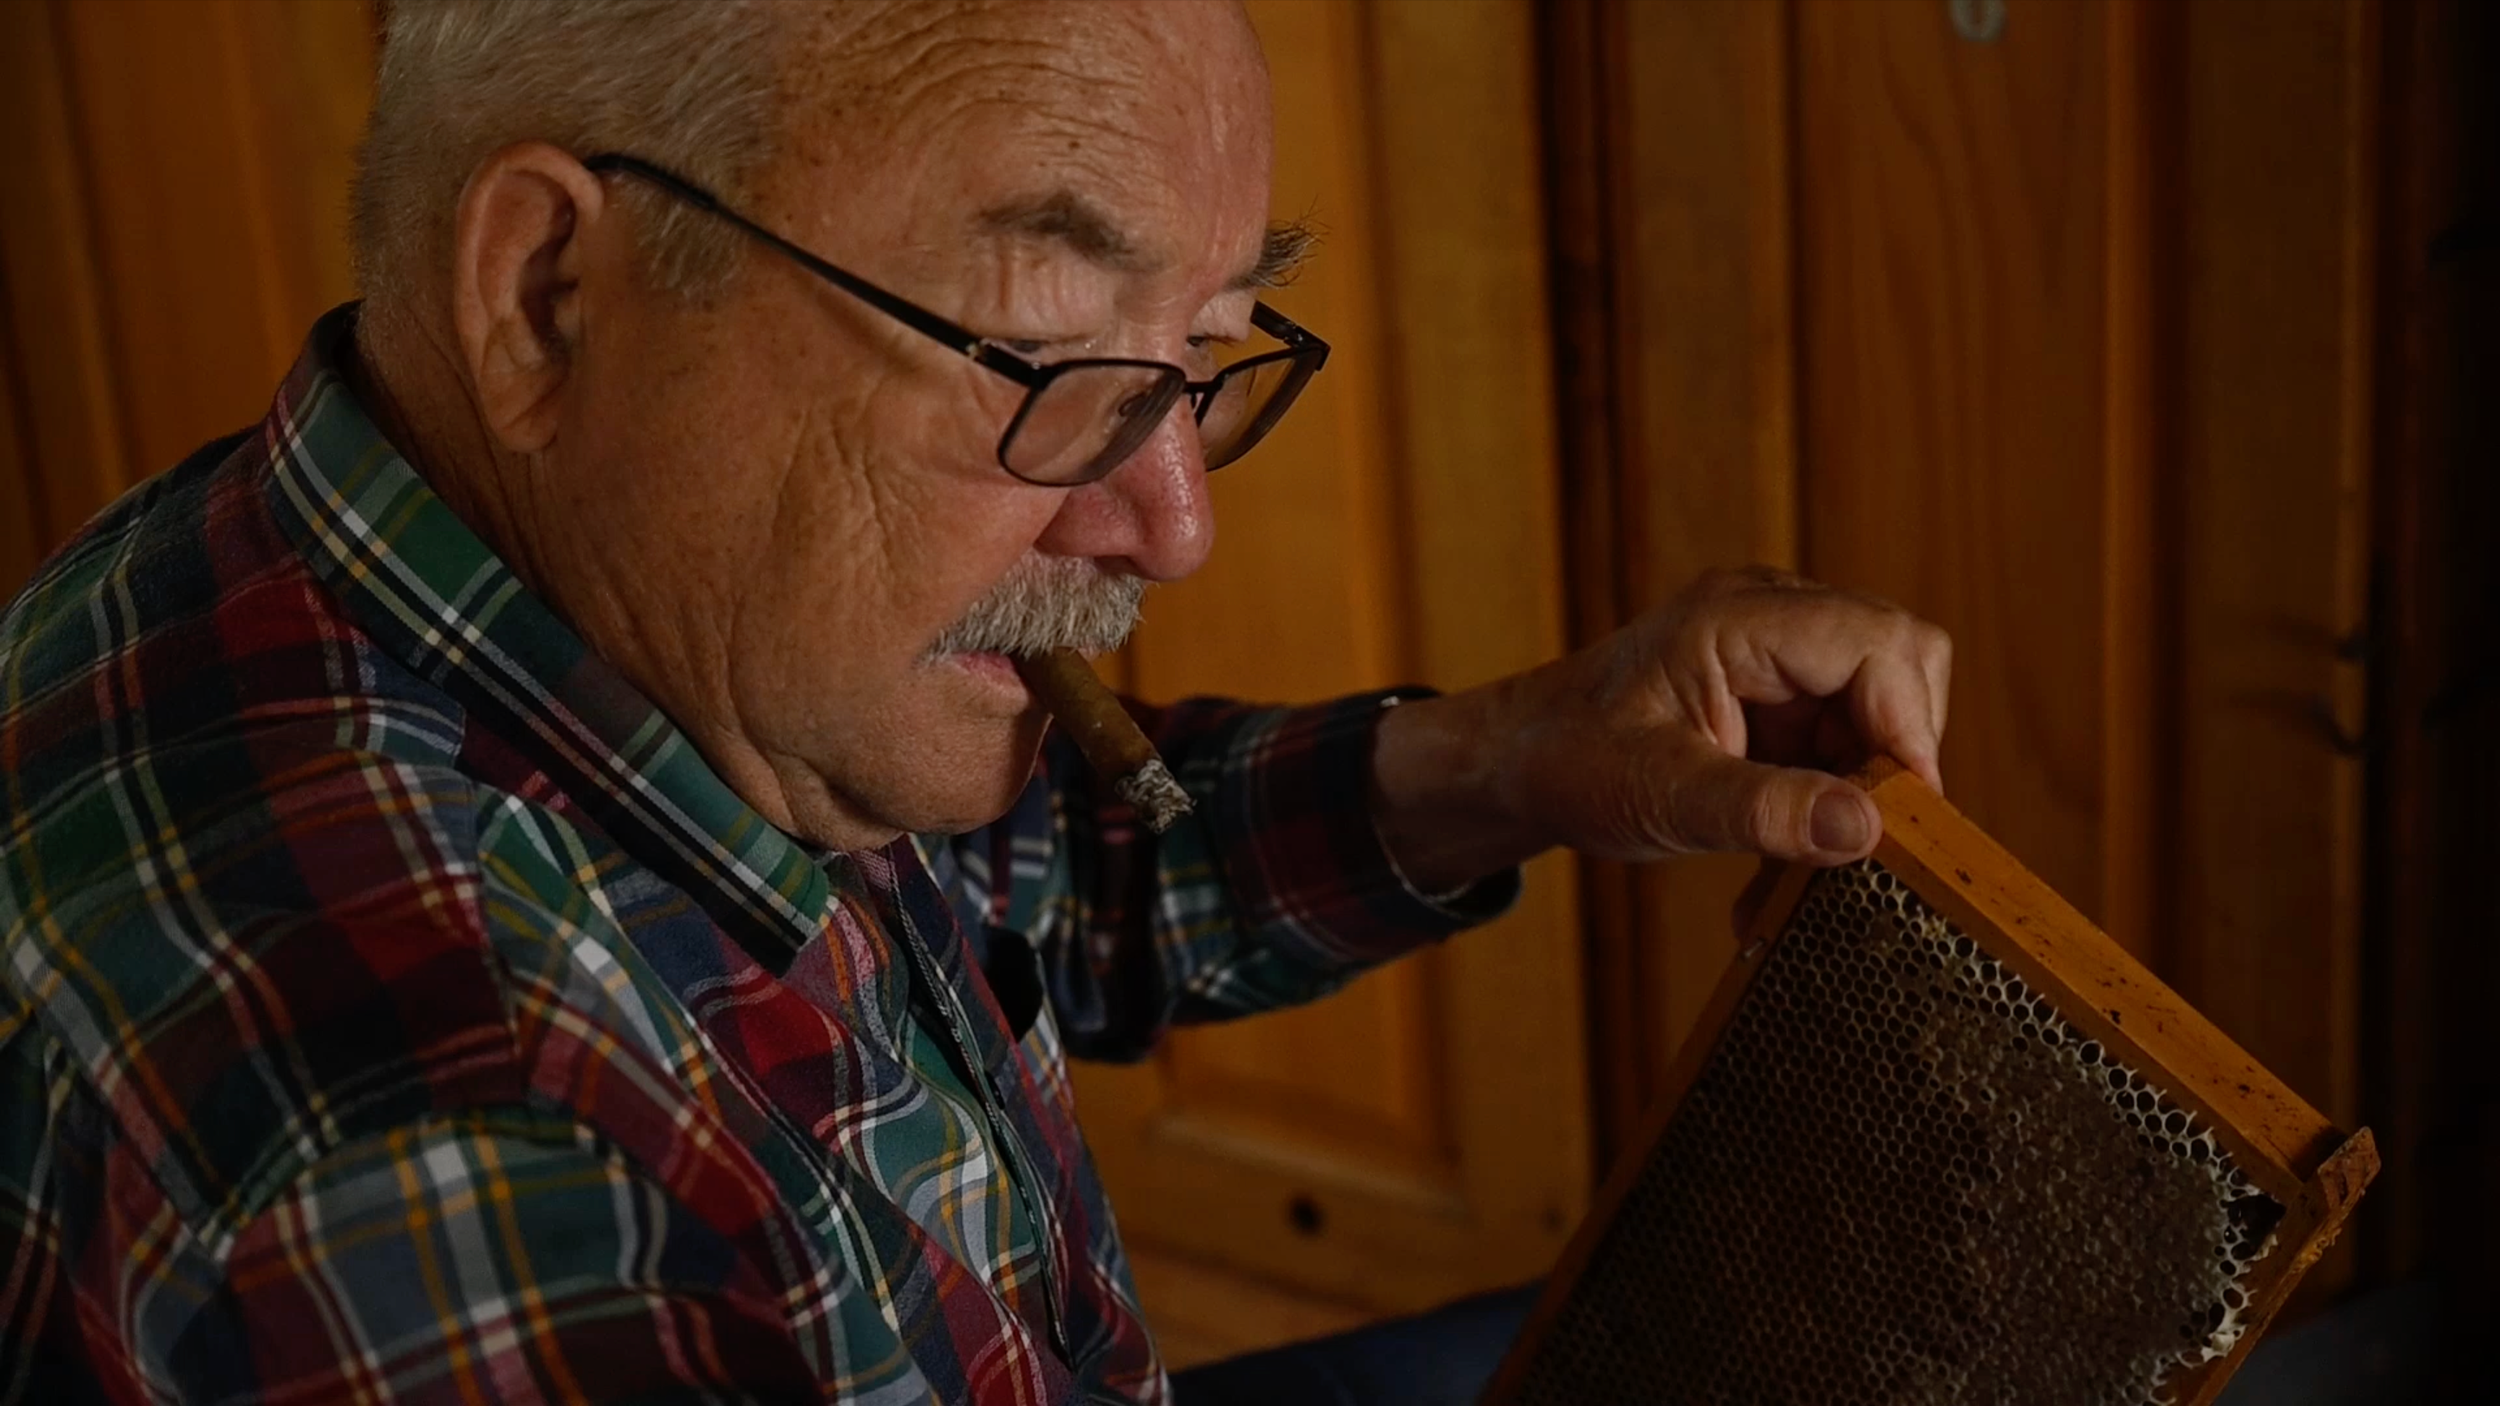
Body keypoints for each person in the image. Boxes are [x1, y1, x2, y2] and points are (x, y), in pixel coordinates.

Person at [0, 1, 1950, 1401]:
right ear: (547, 291)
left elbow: (1008, 891)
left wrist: (1514, 756)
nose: (1170, 521)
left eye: (1195, 350)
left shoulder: (420, 551)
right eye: (1037, 351)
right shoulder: (474, 1173)